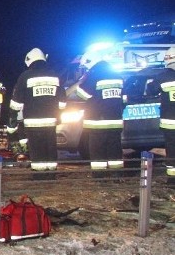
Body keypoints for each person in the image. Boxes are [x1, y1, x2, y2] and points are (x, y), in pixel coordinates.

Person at [7, 48, 66, 176]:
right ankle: (51, 173)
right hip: (50, 120)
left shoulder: (25, 76)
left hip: (33, 121)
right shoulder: (54, 75)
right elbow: (62, 100)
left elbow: (17, 102)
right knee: (50, 146)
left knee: (36, 147)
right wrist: (59, 115)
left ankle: (39, 175)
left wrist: (12, 117)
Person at [76, 53, 125, 178]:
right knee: (114, 148)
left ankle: (100, 176)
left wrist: (82, 81)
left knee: (97, 149)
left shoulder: (94, 75)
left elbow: (83, 94)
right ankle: (116, 174)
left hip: (97, 121)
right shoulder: (117, 75)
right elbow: (123, 98)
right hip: (115, 120)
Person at [153, 47, 175, 185]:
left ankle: (172, 180)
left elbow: (150, 90)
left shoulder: (163, 76)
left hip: (170, 124)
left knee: (172, 151)